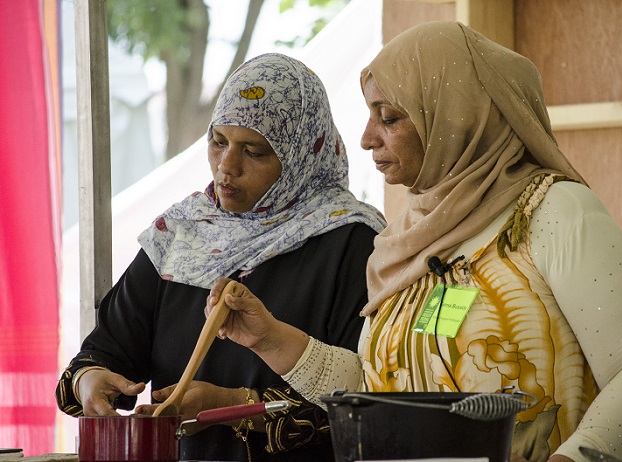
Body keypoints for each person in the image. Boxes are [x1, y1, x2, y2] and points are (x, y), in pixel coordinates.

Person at [206, 22, 622, 462]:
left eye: (388, 117)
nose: (367, 138)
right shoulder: (405, 239)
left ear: (455, 116)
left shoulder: (554, 211)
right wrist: (269, 338)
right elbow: (384, 393)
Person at [55, 52, 386, 462]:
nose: (226, 167)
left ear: (303, 154)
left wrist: (234, 405)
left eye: (254, 151)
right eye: (218, 142)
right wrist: (92, 380)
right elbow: (103, 350)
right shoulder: (184, 232)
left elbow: (369, 398)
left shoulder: (352, 243)